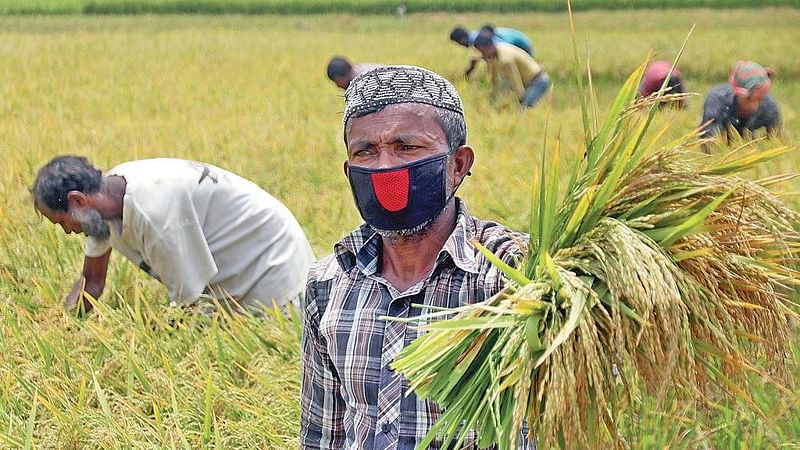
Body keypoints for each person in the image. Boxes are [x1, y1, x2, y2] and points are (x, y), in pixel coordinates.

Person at [300, 65, 531, 448]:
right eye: (366, 151)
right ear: (348, 170)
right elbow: (323, 435)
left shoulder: (513, 279)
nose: (386, 167)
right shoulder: (327, 285)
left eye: (407, 147)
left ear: (458, 165)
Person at [33, 156, 315, 315]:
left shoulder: (155, 214)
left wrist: (153, 338)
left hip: (271, 262)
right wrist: (63, 325)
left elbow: (189, 305)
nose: (68, 231)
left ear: (78, 200)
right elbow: (92, 282)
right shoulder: (102, 208)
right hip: (231, 268)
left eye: (62, 222)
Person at [700, 60, 781, 141]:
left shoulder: (769, 107)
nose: (754, 106)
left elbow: (775, 140)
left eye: (759, 100)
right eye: (749, 100)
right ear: (737, 94)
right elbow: (708, 139)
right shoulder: (718, 101)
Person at [474, 30, 550, 109]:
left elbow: (516, 85)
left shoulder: (506, 60)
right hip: (527, 81)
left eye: (483, 51)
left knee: (524, 109)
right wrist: (492, 99)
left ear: (489, 47)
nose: (482, 55)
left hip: (537, 81)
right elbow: (495, 80)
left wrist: (519, 103)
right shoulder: (495, 53)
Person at [450, 24, 534, 78]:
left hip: (522, 45)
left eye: (458, 42)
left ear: (462, 39)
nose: (460, 45)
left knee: (524, 74)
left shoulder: (477, 39)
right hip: (520, 43)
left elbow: (501, 48)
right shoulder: (475, 36)